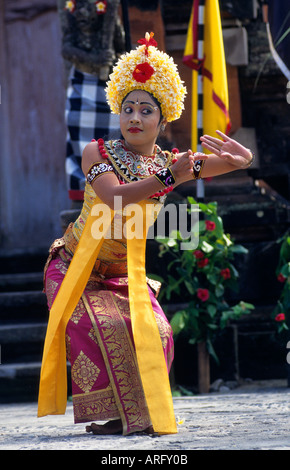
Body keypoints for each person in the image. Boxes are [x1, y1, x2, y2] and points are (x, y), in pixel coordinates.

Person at [38, 32, 254, 436]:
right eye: (128, 109)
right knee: (101, 326)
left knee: (159, 331)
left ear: (164, 118)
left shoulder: (169, 162)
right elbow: (116, 200)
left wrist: (243, 159)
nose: (135, 118)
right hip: (74, 271)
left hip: (123, 276)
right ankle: (112, 415)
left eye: (145, 111)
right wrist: (167, 177)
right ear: (118, 114)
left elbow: (217, 164)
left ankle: (133, 415)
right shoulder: (96, 152)